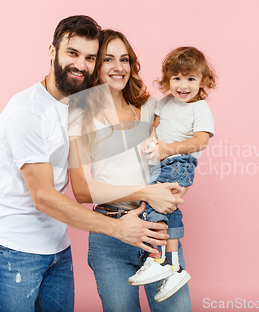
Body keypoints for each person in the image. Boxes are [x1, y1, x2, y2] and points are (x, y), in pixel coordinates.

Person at [0, 16, 180, 312]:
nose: (81, 65)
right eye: (72, 53)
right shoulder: (26, 113)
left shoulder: (79, 107)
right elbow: (44, 197)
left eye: (89, 57)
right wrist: (117, 228)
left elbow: (122, 149)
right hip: (15, 248)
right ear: (52, 51)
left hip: (57, 247)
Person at [68, 30, 192, 311]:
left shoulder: (148, 108)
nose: (118, 67)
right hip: (110, 235)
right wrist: (147, 190)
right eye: (108, 59)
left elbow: (178, 149)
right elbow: (82, 190)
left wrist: (176, 187)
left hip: (156, 229)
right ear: (95, 65)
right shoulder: (79, 115)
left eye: (124, 59)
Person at [128, 46, 216, 302]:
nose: (183, 85)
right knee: (166, 209)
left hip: (180, 162)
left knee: (155, 206)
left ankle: (158, 259)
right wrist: (152, 141)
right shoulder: (164, 103)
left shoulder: (199, 109)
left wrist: (168, 149)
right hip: (162, 163)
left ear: (203, 81)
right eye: (176, 78)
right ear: (167, 80)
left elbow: (200, 141)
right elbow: (155, 127)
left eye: (190, 78)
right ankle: (173, 266)